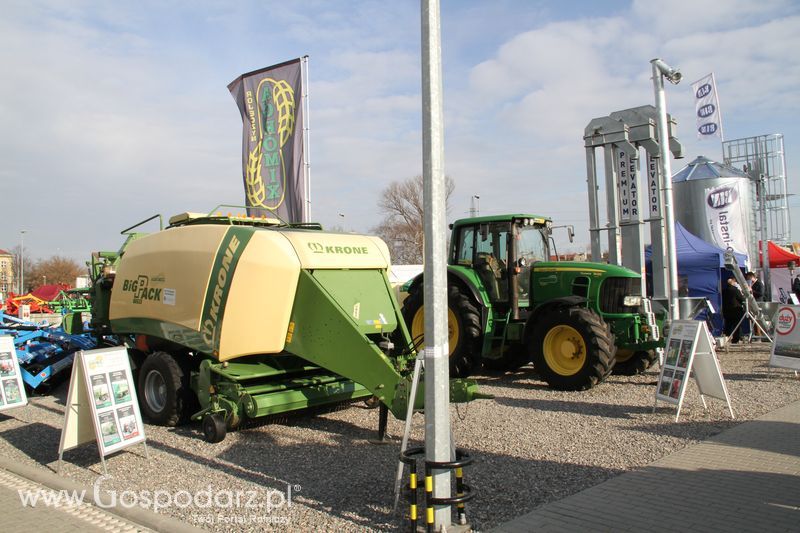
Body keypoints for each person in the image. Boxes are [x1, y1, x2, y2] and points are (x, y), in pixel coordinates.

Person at [722, 277, 746, 343]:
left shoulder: (723, 291)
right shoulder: (736, 290)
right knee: (737, 325)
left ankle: (727, 338)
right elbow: (741, 299)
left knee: (728, 325)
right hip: (736, 310)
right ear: (733, 283)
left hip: (726, 310)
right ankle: (736, 339)